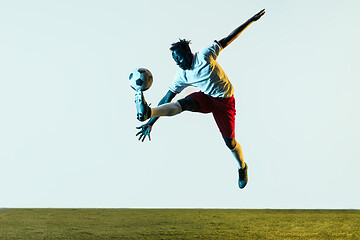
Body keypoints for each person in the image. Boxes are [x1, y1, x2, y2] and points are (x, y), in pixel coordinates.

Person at [135, 9, 265, 189]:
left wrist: (251, 20)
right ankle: (149, 111)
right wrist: (151, 121)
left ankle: (242, 166)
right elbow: (167, 96)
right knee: (185, 103)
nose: (178, 63)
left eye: (179, 58)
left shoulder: (205, 54)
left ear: (188, 53)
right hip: (206, 98)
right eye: (175, 61)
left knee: (230, 143)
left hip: (225, 102)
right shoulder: (182, 75)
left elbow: (229, 38)